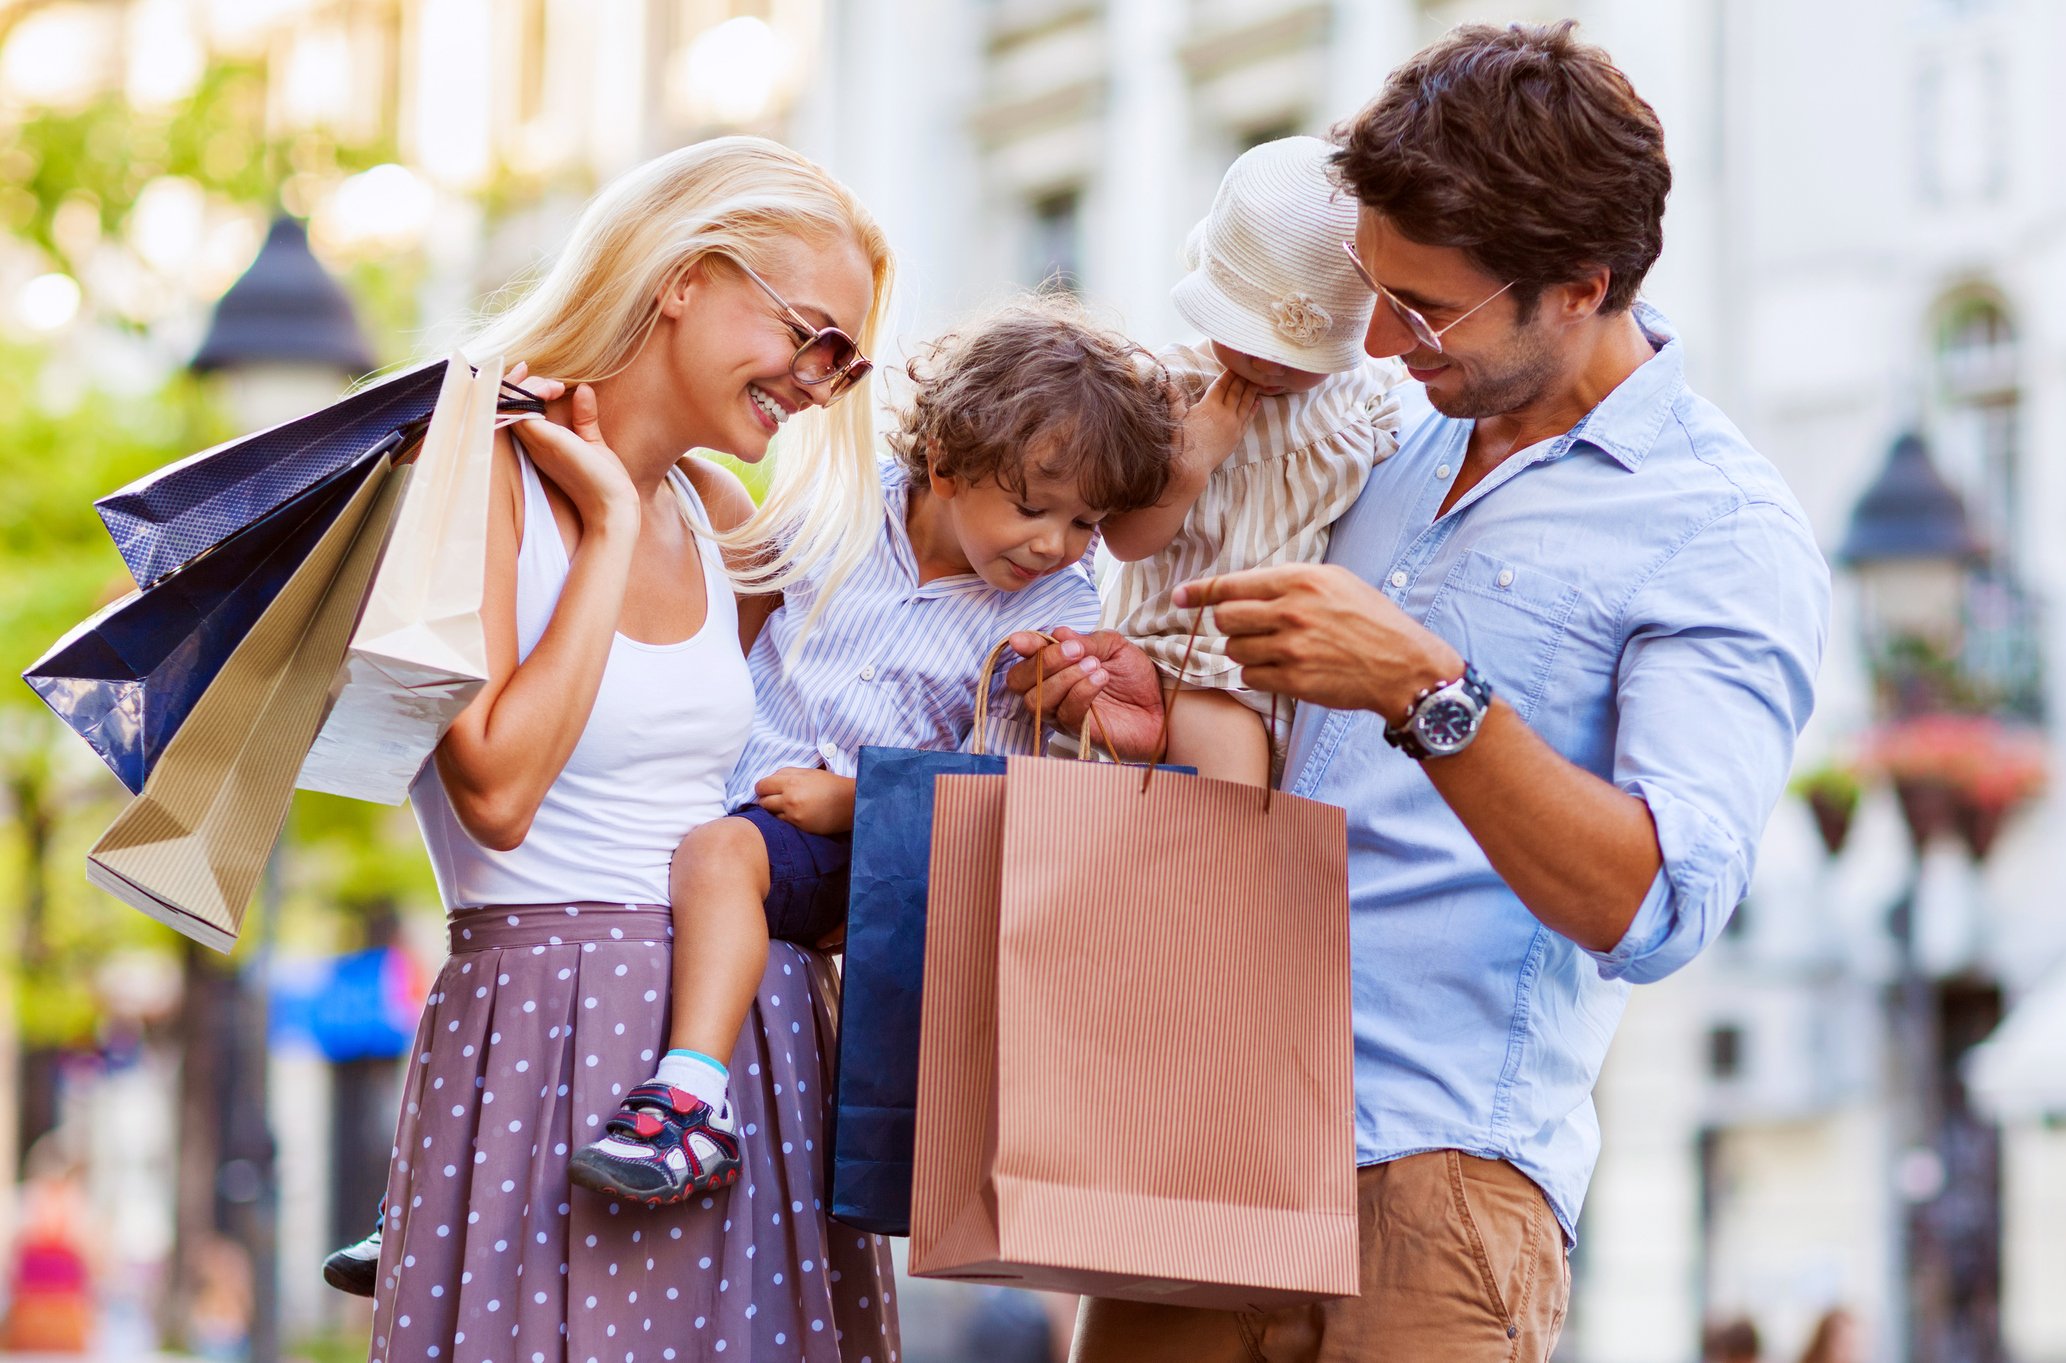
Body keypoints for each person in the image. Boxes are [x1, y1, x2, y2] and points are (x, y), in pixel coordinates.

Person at [1010, 22, 1830, 1362]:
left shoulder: (1720, 530)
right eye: (1373, 290)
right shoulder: (1372, 429)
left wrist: (1428, 690)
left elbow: (1661, 901)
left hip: (1431, 1189)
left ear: (1578, 285)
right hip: (1198, 1130)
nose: (1382, 341)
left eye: (1426, 306)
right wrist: (1154, 707)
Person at [350, 135, 900, 1362]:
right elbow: (492, 786)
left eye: (846, 362)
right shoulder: (475, 459)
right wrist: (602, 527)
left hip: (738, 1045)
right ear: (684, 277)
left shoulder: (720, 514)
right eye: (814, 336)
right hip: (546, 1023)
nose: (821, 382)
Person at [569, 298, 1177, 1204]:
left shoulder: (1053, 621)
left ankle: (693, 1102)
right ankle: (486, 1146)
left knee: (718, 857)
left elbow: (991, 798)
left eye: (1086, 523)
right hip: (720, 796)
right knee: (586, 889)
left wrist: (859, 802)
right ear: (945, 462)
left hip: (854, 849)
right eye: (1032, 507)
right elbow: (738, 614)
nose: (1055, 543)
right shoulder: (837, 504)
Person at [1099, 135, 1404, 785]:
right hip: (1188, 658)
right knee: (1230, 849)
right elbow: (1123, 539)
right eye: (1245, 335)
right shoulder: (1170, 387)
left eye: (1297, 358)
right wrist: (1188, 466)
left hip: (1300, 674)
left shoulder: (1364, 401)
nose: (1266, 364)